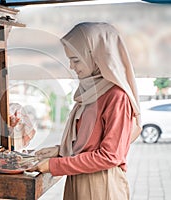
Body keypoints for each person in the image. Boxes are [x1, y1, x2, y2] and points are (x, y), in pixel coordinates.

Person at [27, 22, 142, 200]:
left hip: (102, 186)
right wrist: (59, 151)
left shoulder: (117, 96)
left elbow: (109, 156)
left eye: (76, 60)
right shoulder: (90, 92)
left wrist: (54, 165)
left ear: (97, 57)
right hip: (78, 179)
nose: (72, 67)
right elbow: (88, 144)